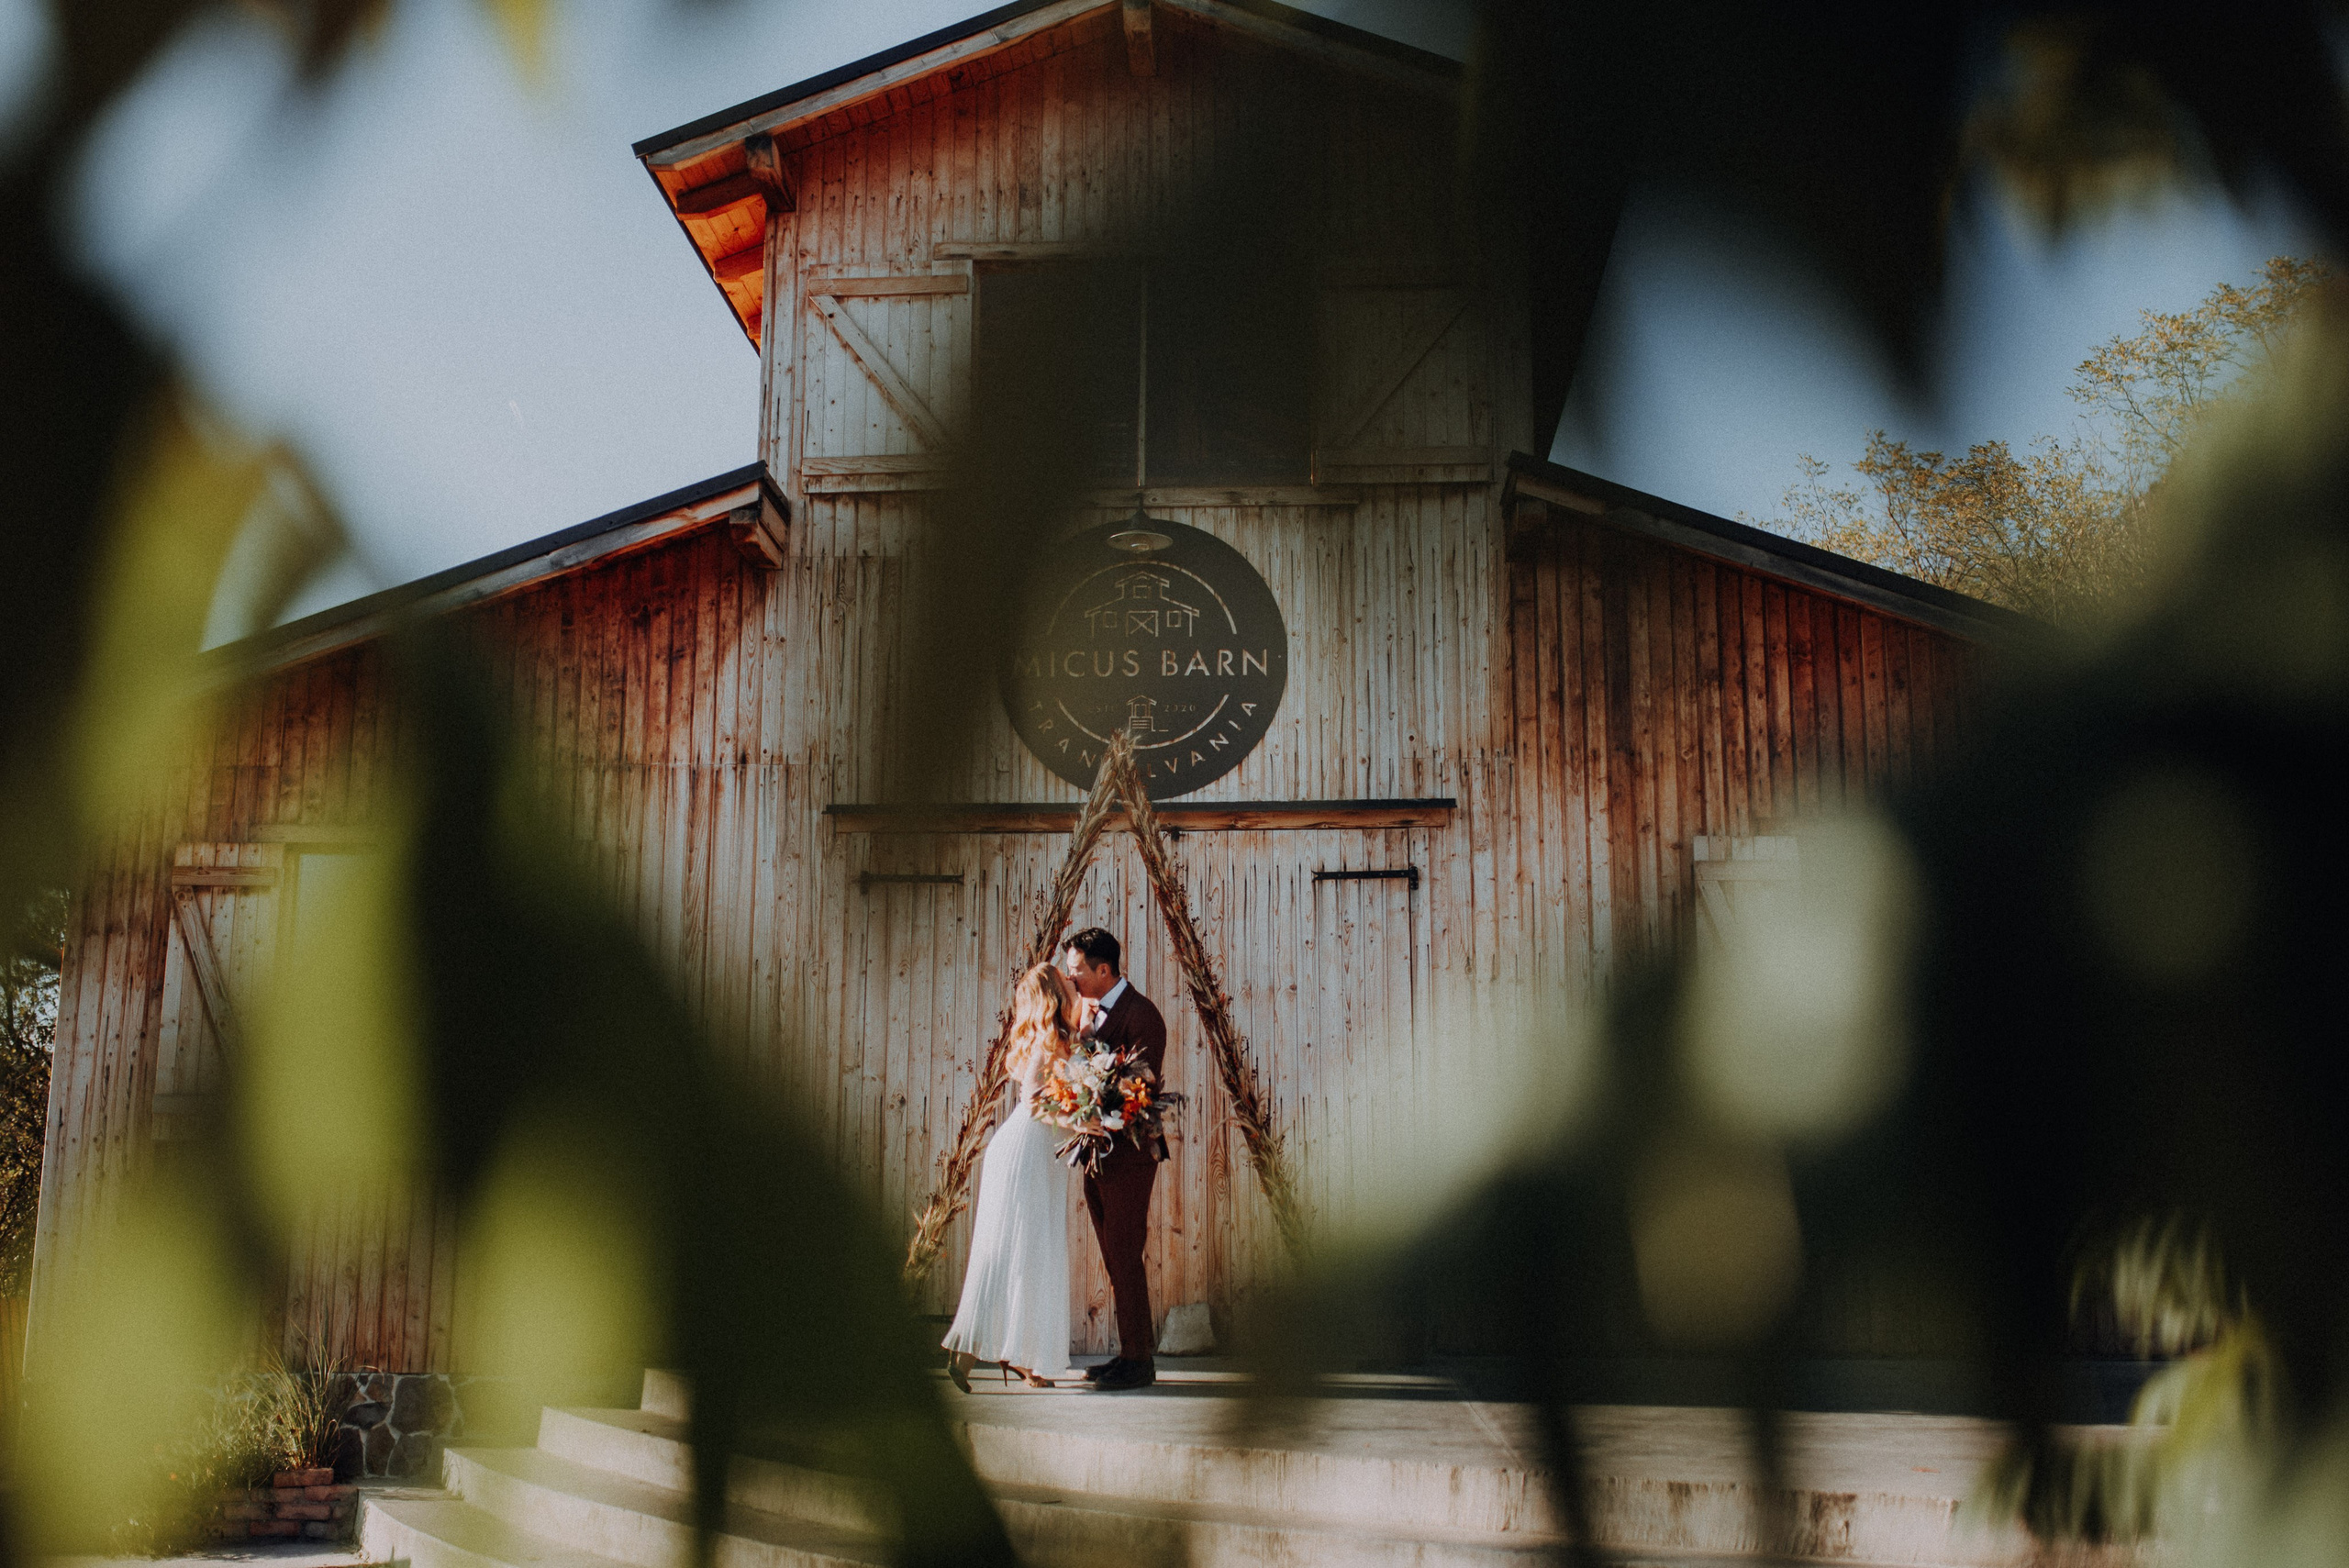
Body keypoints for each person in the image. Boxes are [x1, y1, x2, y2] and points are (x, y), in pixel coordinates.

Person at [942, 962, 1084, 1390]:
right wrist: (1085, 1122)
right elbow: (1037, 1101)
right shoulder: (1053, 1037)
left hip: (1032, 1150)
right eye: (1063, 977)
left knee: (1018, 1249)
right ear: (1052, 991)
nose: (1070, 979)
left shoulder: (1057, 1034)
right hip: (1030, 1148)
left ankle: (1010, 1357)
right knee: (1019, 1248)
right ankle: (996, 1356)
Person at [1062, 927, 1168, 1392]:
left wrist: (1091, 1092)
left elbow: (1139, 1090)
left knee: (1125, 1254)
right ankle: (1130, 1352)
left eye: (1078, 971)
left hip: (1129, 1157)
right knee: (1113, 1256)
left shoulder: (1142, 1016)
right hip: (1097, 1154)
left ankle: (1138, 1360)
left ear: (1104, 969)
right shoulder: (1093, 1012)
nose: (1072, 979)